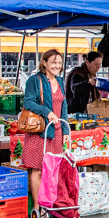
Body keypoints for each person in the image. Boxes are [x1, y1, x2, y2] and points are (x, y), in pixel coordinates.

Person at [21, 49, 69, 207]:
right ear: (44, 63)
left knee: (53, 170)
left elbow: (64, 107)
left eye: (59, 63)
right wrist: (47, 112)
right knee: (38, 170)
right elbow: (28, 102)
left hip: (56, 132)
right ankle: (37, 206)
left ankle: (51, 204)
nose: (57, 66)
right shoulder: (34, 80)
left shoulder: (61, 81)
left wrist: (66, 131)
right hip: (40, 132)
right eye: (54, 62)